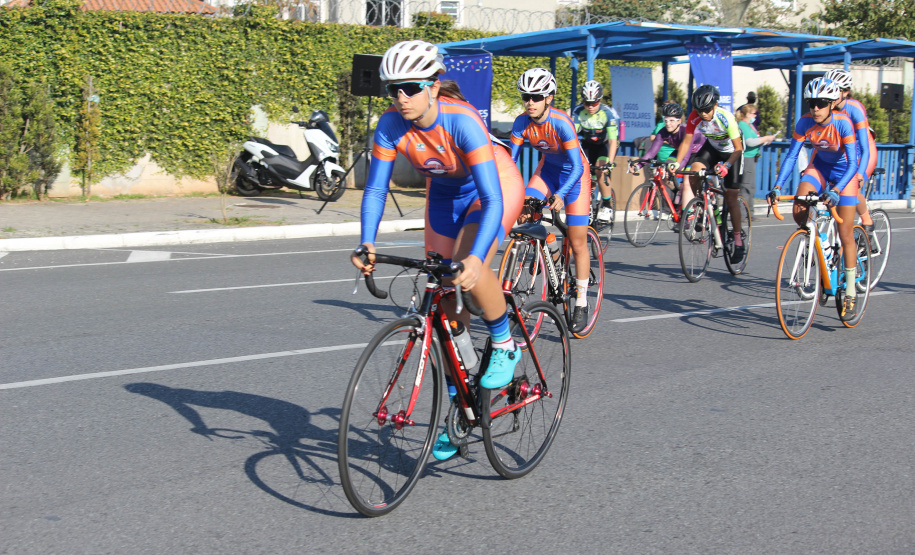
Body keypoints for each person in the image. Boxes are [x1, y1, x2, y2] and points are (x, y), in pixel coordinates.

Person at [351, 40, 525, 460]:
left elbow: (492, 198)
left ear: (432, 86)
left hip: (493, 189)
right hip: (445, 196)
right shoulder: (390, 125)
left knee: (470, 267)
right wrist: (367, 240)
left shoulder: (461, 120)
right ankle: (461, 405)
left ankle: (504, 342)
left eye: (411, 87)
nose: (401, 97)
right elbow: (376, 189)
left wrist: (476, 258)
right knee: (445, 302)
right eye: (393, 89)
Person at [769, 77, 860, 320]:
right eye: (812, 104)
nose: (815, 108)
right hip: (819, 167)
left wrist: (837, 190)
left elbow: (853, 163)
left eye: (821, 103)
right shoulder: (805, 122)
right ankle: (820, 247)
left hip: (845, 173)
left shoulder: (843, 123)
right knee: (800, 208)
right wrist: (777, 187)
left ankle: (850, 291)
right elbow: (791, 156)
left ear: (831, 104)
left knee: (845, 232)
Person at [510, 67, 592, 332]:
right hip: (547, 172)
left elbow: (577, 166)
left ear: (549, 98)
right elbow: (510, 164)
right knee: (524, 212)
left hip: (575, 177)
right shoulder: (521, 122)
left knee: (577, 242)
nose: (530, 102)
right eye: (526, 97)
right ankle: (550, 245)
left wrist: (561, 194)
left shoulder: (561, 122)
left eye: (536, 97)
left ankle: (581, 301)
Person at [672, 84, 746, 263]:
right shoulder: (695, 116)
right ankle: (702, 204)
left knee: (731, 197)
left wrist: (727, 165)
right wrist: (677, 162)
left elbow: (738, 148)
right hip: (712, 148)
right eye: (699, 111)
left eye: (706, 110)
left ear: (715, 105)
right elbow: (686, 142)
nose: (703, 114)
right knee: (694, 171)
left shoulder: (725, 118)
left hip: (732, 153)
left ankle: (738, 239)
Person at [823, 68, 878, 247]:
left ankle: (867, 221)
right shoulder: (826, 108)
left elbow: (864, 146)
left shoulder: (854, 108)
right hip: (846, 153)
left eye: (836, 89)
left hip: (864, 151)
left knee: (852, 186)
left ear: (845, 92)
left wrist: (860, 174)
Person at [629, 102, 705, 206]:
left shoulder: (686, 132)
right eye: (666, 120)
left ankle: (687, 212)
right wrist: (638, 166)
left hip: (697, 153)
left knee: (687, 180)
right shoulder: (663, 132)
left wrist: (676, 168)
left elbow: (686, 157)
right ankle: (677, 192)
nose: (668, 124)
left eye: (672, 120)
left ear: (679, 121)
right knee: (664, 171)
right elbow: (651, 152)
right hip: (680, 152)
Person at [571, 79, 619, 223]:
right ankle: (586, 202)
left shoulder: (607, 113)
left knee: (601, 170)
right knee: (582, 172)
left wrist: (610, 163)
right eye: (587, 103)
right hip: (587, 145)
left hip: (604, 145)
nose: (590, 106)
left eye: (594, 103)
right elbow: (571, 136)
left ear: (600, 100)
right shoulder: (578, 111)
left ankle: (607, 204)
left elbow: (613, 141)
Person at [735, 104, 777, 216]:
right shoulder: (743, 125)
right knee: (746, 186)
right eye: (754, 114)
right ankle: (743, 214)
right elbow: (750, 142)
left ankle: (749, 213)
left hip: (752, 157)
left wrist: (763, 140)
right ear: (748, 114)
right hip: (747, 157)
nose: (755, 116)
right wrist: (765, 138)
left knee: (751, 187)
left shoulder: (748, 125)